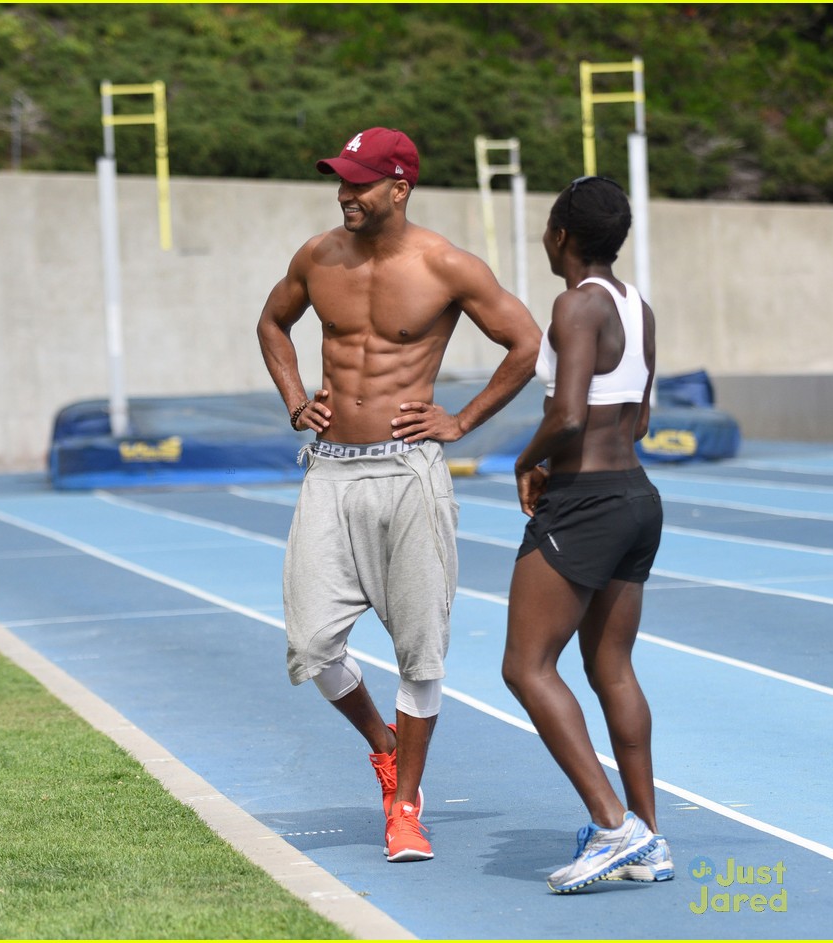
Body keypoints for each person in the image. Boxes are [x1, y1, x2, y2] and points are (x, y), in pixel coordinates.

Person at [257, 127, 541, 862]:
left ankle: (406, 805)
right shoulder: (317, 257)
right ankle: (385, 747)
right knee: (312, 645)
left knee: (420, 654)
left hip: (408, 471)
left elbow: (526, 341)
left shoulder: (443, 263)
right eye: (340, 181)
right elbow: (273, 322)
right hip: (329, 469)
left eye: (359, 182)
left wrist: (464, 418)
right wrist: (295, 398)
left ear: (399, 187)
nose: (346, 193)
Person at [500, 175, 670, 893]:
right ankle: (649, 838)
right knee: (612, 670)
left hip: (587, 503)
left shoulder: (575, 306)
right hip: (636, 496)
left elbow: (568, 413)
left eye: (547, 226)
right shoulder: (640, 308)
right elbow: (640, 417)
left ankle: (613, 825)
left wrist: (528, 459)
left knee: (525, 666)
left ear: (562, 236)